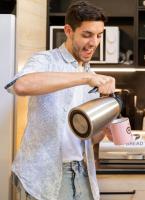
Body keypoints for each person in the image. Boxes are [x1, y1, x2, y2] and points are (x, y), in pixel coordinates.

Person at [5, 1, 114, 199]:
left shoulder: (92, 76)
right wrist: (84, 78)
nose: (94, 43)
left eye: (99, 35)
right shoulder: (46, 60)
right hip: (41, 173)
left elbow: (88, 138)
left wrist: (105, 130)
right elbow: (21, 85)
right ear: (68, 31)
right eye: (87, 34)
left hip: (80, 172)